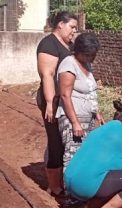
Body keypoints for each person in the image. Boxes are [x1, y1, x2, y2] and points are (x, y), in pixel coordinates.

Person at [36, 11, 78, 196]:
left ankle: (64, 178)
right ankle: (54, 186)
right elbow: (47, 75)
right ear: (60, 24)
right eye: (72, 27)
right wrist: (50, 103)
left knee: (66, 139)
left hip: (65, 99)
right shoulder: (48, 44)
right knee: (55, 141)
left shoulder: (68, 44)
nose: (74, 31)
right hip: (52, 100)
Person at [56, 32, 104, 171]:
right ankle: (69, 187)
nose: (92, 58)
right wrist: (75, 123)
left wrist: (97, 112)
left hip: (88, 118)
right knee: (73, 154)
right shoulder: (69, 64)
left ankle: (81, 185)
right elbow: (65, 96)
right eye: (88, 55)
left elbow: (90, 91)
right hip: (73, 118)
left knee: (85, 152)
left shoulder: (87, 65)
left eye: (94, 55)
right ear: (78, 51)